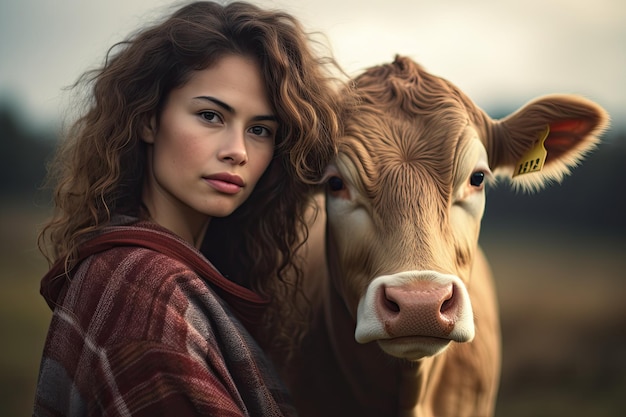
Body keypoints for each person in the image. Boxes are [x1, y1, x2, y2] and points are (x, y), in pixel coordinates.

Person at [33, 1, 346, 415]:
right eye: (210, 115)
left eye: (259, 130)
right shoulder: (143, 292)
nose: (237, 152)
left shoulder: (174, 275)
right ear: (147, 119)